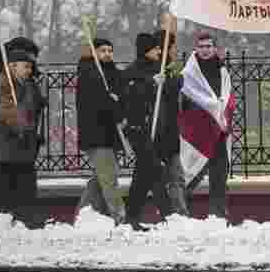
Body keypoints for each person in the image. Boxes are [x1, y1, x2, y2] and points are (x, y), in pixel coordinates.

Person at [122, 31, 188, 230]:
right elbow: (130, 96)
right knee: (154, 171)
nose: (160, 51)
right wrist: (151, 84)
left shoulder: (159, 68)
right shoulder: (133, 71)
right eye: (156, 48)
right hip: (140, 129)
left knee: (142, 177)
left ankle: (131, 217)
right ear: (146, 50)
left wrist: (171, 78)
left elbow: (172, 90)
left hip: (158, 129)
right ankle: (169, 215)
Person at [0, 45, 46, 227]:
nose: (29, 71)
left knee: (25, 187)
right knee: (1, 189)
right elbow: (6, 112)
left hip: (23, 147)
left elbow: (29, 109)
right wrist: (23, 127)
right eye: (25, 66)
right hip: (5, 147)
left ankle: (25, 218)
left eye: (29, 67)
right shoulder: (1, 83)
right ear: (12, 66)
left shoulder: (26, 85)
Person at [75, 37, 127, 224]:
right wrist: (112, 101)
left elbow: (121, 96)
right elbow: (100, 103)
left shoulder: (112, 73)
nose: (107, 54)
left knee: (100, 178)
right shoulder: (89, 73)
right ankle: (120, 218)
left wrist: (117, 101)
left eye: (110, 50)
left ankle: (83, 214)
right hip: (96, 134)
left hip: (110, 134)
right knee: (109, 178)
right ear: (94, 53)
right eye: (102, 50)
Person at [182, 31, 232, 220]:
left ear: (214, 48)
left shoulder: (222, 70)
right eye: (201, 46)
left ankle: (218, 212)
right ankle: (180, 210)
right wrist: (208, 107)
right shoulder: (189, 73)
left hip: (218, 130)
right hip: (197, 133)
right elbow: (184, 100)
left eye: (208, 46)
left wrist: (222, 110)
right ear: (195, 48)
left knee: (219, 174)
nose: (205, 50)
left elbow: (229, 97)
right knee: (192, 172)